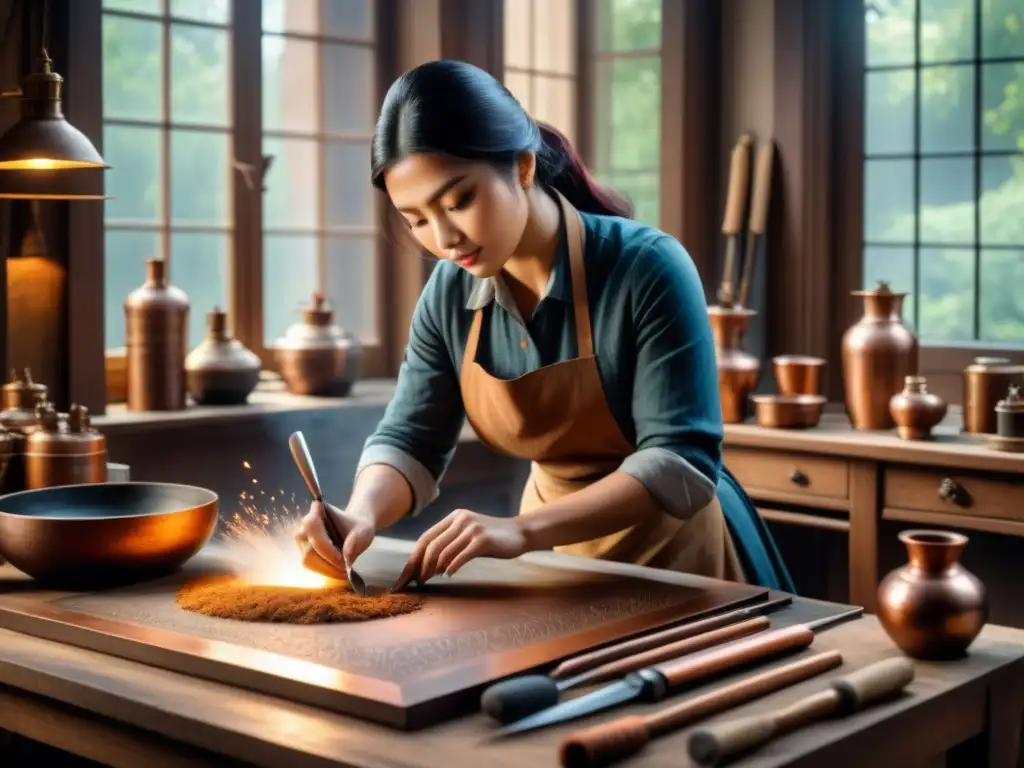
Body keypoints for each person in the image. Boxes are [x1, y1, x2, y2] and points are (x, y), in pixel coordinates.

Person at [295, 60, 794, 592]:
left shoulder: (648, 268)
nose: (444, 238)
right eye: (416, 219)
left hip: (673, 564)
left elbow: (680, 460)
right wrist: (362, 513)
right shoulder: (448, 292)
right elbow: (411, 439)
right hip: (551, 561)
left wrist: (520, 531)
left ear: (523, 166)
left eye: (459, 200)